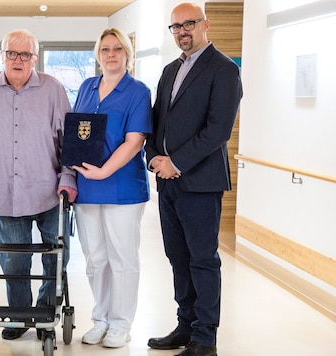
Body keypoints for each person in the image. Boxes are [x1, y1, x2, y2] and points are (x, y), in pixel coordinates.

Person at [0, 29, 77, 341]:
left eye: (25, 54)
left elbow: (69, 142)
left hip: (50, 193)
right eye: (11, 53)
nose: (18, 60)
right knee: (14, 259)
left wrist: (68, 179)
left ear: (35, 59)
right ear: (2, 56)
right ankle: (20, 315)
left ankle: (44, 311)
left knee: (56, 257)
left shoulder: (52, 89)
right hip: (8, 195)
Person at [144, 3, 243, 356]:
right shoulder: (171, 70)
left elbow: (218, 129)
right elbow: (156, 121)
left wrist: (177, 162)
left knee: (202, 259)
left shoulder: (224, 69)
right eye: (176, 27)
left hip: (200, 183)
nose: (182, 31)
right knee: (177, 257)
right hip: (167, 183)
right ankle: (185, 325)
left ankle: (205, 337)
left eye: (189, 24)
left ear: (205, 24)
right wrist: (153, 156)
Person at [70, 28, 152, 349]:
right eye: (105, 49)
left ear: (127, 54)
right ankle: (100, 319)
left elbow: (135, 141)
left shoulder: (137, 91)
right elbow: (78, 132)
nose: (111, 54)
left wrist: (104, 170)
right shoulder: (87, 87)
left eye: (118, 48)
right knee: (95, 259)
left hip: (122, 188)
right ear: (97, 54)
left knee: (122, 258)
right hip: (87, 186)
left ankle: (121, 323)